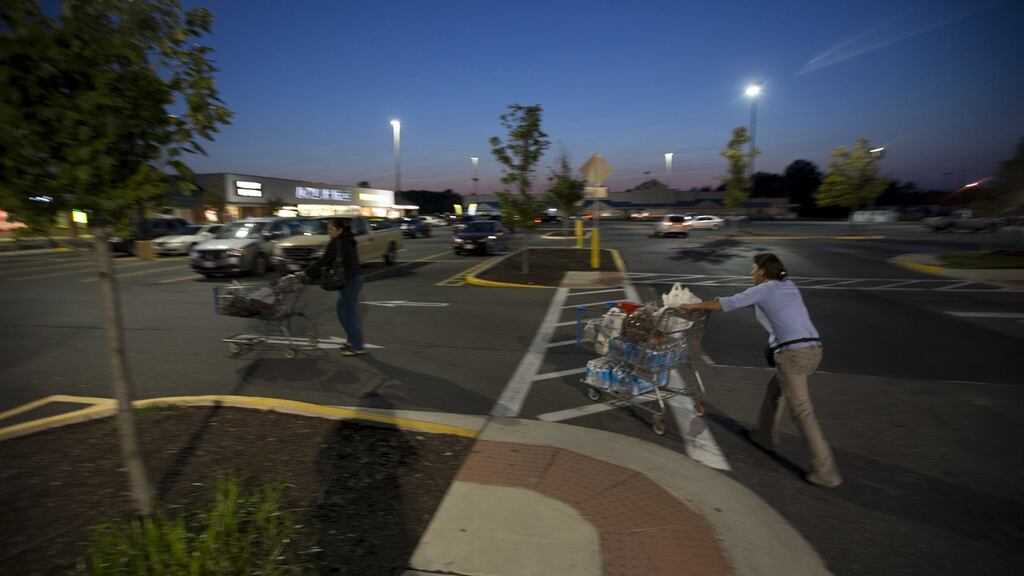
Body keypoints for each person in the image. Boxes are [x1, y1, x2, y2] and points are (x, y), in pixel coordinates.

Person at [678, 253, 842, 488]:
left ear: (763, 273)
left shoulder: (763, 289)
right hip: (813, 350)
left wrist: (692, 305)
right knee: (775, 391)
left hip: (793, 356)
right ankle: (765, 437)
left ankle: (826, 473)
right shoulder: (788, 285)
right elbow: (785, 316)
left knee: (802, 411)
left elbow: (728, 303)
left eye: (754, 269)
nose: (751, 273)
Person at [298, 219, 365, 356]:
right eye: (328, 229)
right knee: (341, 310)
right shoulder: (348, 240)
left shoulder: (337, 243)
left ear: (339, 230)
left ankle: (357, 347)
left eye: (331, 230)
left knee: (350, 314)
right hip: (355, 279)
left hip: (349, 281)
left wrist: (306, 272)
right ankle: (352, 340)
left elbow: (324, 261)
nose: (329, 232)